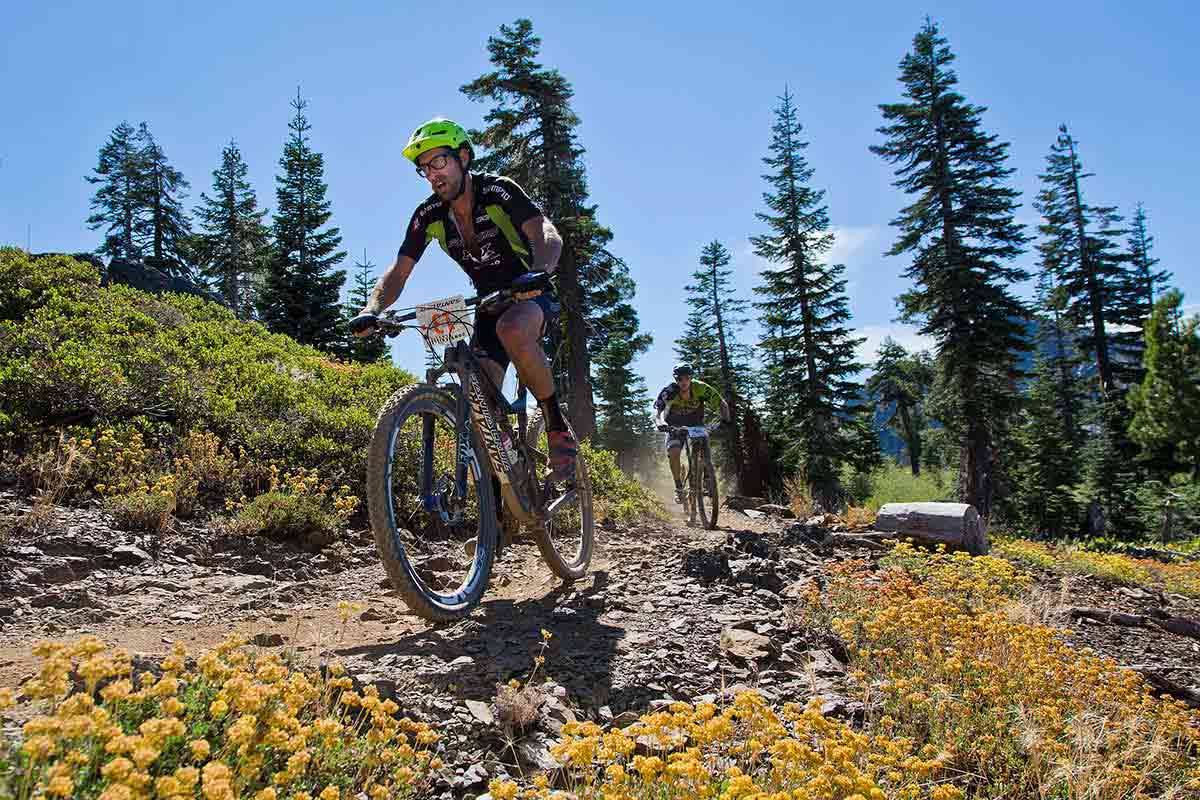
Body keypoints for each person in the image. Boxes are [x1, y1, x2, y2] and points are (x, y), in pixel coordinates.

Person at [350, 118, 577, 482]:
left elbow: (545, 232)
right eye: (424, 169)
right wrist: (372, 310)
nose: (432, 174)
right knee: (478, 401)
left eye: (438, 162)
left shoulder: (497, 191)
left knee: (514, 328)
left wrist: (540, 271)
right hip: (489, 303)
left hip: (530, 292)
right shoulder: (428, 215)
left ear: (464, 157)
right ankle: (502, 505)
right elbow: (399, 271)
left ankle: (555, 426)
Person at [653, 365, 730, 503]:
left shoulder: (700, 388)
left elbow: (722, 404)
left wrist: (725, 421)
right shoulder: (669, 391)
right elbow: (658, 413)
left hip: (695, 423)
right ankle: (678, 487)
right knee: (674, 451)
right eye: (680, 379)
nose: (684, 382)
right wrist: (661, 424)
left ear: (691, 378)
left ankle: (707, 477)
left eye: (687, 378)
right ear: (675, 379)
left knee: (704, 441)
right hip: (674, 424)